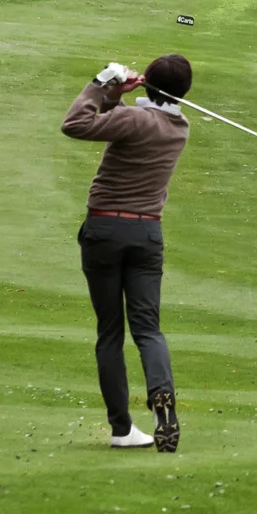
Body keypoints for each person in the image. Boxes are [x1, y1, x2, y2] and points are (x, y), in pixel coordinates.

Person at [62, 54, 193, 452]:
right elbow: (128, 125)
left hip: (105, 229)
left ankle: (122, 429)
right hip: (147, 233)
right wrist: (119, 98)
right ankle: (162, 396)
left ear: (148, 84)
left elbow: (75, 124)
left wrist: (101, 86)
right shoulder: (179, 128)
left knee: (110, 333)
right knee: (148, 329)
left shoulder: (135, 120)